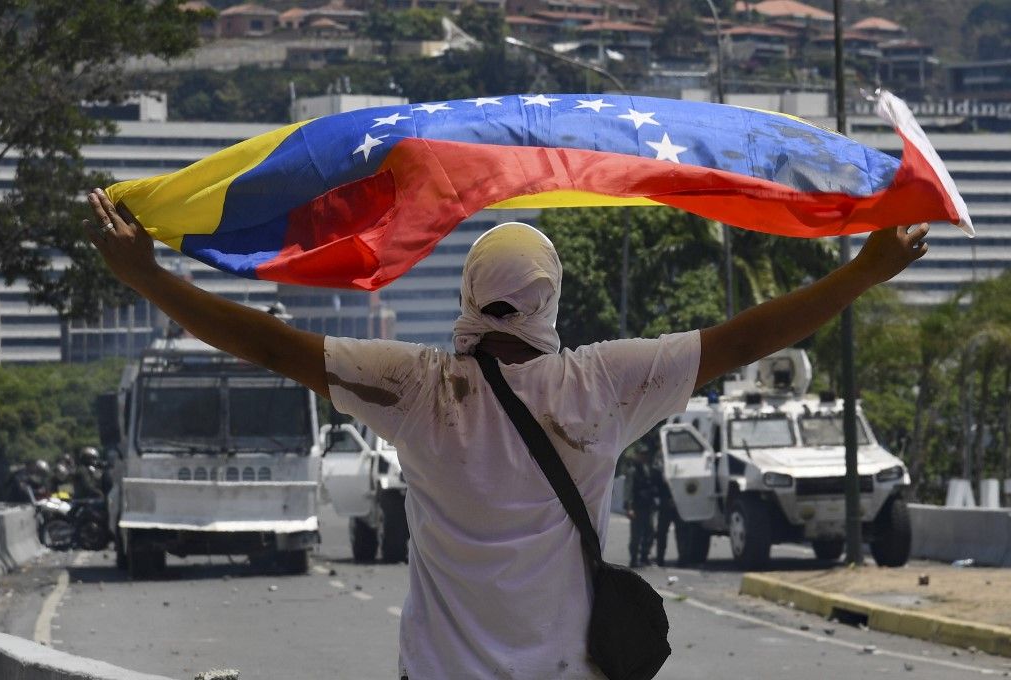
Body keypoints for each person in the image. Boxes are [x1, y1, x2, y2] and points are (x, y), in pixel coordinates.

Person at [83, 187, 928, 679]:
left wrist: (150, 277)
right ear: (550, 299)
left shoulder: (414, 387)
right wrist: (864, 268)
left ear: (468, 293)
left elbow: (269, 343)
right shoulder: (602, 384)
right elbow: (747, 339)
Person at [623, 449, 657, 568]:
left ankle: (644, 556)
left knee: (649, 532)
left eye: (645, 454)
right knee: (636, 535)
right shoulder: (633, 471)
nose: (644, 457)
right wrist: (629, 508)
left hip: (648, 507)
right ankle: (633, 559)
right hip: (637, 507)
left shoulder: (647, 469)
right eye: (641, 454)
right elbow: (628, 490)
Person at [650, 450, 675, 567]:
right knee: (661, 533)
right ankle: (660, 558)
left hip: (678, 502)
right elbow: (655, 481)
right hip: (665, 503)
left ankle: (684, 558)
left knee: (682, 532)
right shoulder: (659, 461)